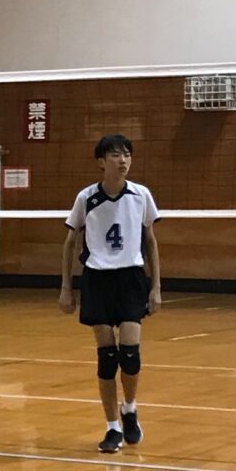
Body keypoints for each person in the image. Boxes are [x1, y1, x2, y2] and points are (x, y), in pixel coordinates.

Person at [58, 132, 163, 453]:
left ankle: (129, 408)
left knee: (130, 355)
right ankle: (112, 427)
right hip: (97, 279)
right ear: (101, 162)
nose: (123, 160)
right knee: (107, 359)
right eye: (116, 155)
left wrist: (156, 286)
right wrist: (66, 288)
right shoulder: (86, 197)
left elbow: (150, 241)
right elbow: (70, 243)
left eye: (127, 154)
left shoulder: (141, 195)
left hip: (130, 278)